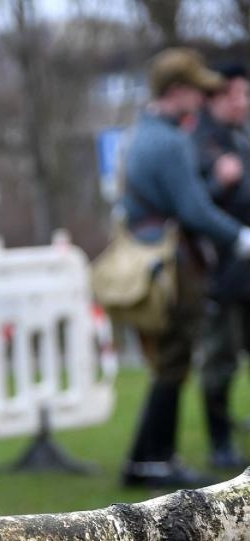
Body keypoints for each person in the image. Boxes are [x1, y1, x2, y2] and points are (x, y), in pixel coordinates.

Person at [119, 49, 250, 489]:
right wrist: (240, 237)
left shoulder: (143, 132)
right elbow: (194, 209)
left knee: (167, 363)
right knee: (174, 362)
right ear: (178, 91)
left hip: (152, 256)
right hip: (172, 262)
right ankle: (158, 461)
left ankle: (143, 459)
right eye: (197, 88)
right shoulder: (172, 140)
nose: (203, 96)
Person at [192, 64, 250, 469]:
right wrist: (219, 183)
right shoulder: (199, 142)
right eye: (234, 95)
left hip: (247, 272)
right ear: (214, 96)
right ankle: (220, 444)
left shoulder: (240, 138)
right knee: (220, 361)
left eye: (246, 95)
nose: (242, 102)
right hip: (220, 274)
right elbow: (194, 206)